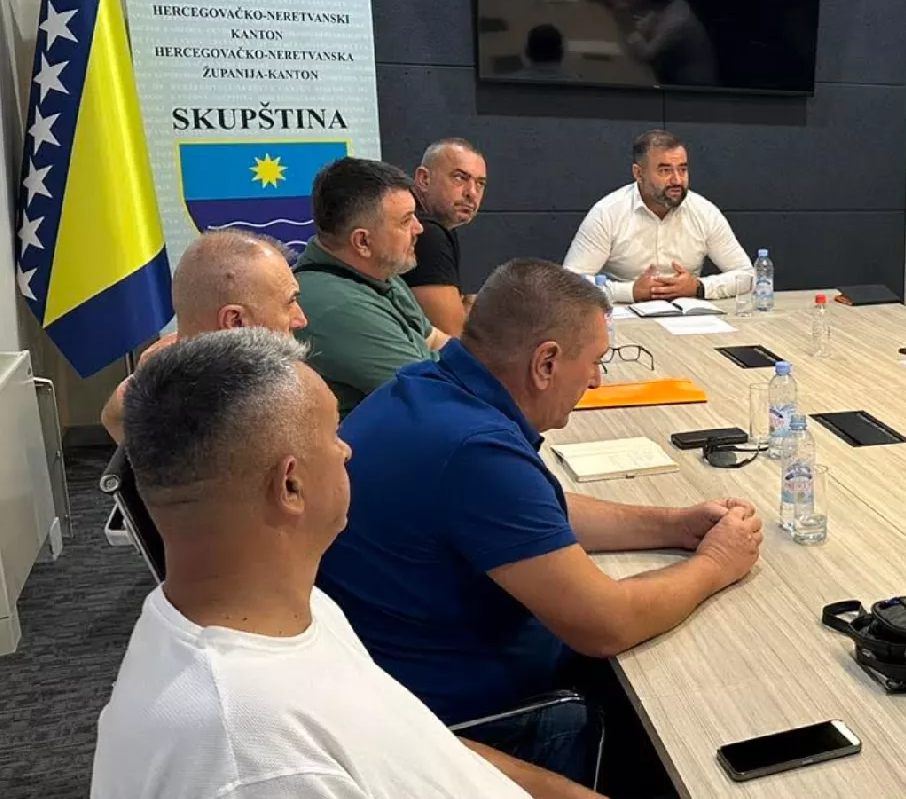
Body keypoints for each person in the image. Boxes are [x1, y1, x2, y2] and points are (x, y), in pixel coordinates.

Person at [93, 329, 601, 799]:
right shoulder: (253, 758)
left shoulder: (294, 608)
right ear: (290, 485)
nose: (347, 451)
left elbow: (417, 741)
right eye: (333, 435)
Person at [318, 258, 762, 787]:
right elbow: (606, 624)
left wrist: (673, 525)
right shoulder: (472, 450)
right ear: (546, 362)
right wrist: (717, 563)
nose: (596, 380)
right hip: (474, 732)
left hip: (396, 696)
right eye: (594, 361)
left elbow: (533, 514)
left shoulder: (427, 390)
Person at [101, 229, 306, 443]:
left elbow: (113, 416)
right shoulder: (275, 412)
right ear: (235, 321)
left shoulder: (147, 406)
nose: (301, 319)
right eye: (290, 302)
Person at [294, 156, 449, 417]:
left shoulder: (379, 273)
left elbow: (435, 340)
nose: (419, 228)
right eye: (406, 220)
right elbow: (432, 393)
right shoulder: (339, 307)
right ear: (363, 242)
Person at [563, 130, 754, 305]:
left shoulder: (704, 211)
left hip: (688, 318)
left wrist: (699, 287)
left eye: (682, 169)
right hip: (624, 318)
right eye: (665, 171)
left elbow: (747, 276)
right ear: (639, 174)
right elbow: (569, 284)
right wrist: (630, 292)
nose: (677, 180)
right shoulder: (607, 212)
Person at [403, 137, 489, 336]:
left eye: (480, 183)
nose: (472, 193)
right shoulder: (425, 232)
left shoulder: (437, 226)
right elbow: (454, 337)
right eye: (459, 178)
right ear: (424, 179)